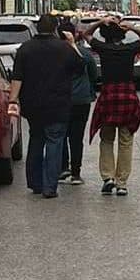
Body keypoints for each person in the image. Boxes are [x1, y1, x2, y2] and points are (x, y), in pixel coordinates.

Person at [7, 13, 85, 198]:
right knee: (55, 143)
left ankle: (35, 183)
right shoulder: (63, 49)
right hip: (58, 105)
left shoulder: (25, 49)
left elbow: (17, 77)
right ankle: (50, 186)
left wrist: (12, 100)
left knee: (36, 140)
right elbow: (81, 67)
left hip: (32, 105)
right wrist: (72, 44)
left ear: (37, 28)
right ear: (55, 28)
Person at [87, 16, 140, 196]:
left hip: (109, 97)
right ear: (122, 35)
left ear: (105, 36)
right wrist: (132, 28)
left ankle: (108, 178)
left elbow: (86, 34)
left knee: (106, 139)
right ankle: (122, 183)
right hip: (127, 96)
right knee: (126, 141)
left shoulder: (103, 48)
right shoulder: (130, 48)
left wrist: (100, 21)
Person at [62, 28, 100, 185]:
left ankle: (63, 168)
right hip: (81, 100)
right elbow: (93, 75)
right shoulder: (84, 53)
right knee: (76, 138)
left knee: (60, 136)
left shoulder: (57, 55)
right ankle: (76, 173)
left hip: (61, 100)